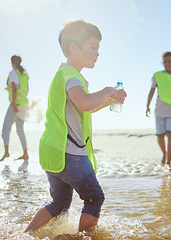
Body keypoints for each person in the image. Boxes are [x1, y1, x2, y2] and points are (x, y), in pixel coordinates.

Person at [24, 19, 127, 234]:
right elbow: (85, 102)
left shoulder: (69, 76)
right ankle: (84, 238)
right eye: (93, 47)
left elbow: (85, 108)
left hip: (54, 152)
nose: (97, 53)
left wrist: (109, 100)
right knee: (94, 197)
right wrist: (108, 90)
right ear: (74, 47)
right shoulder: (70, 76)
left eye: (98, 49)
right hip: (69, 153)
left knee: (59, 204)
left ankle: (26, 235)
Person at [146, 51, 171, 169]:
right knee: (160, 136)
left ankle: (168, 162)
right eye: (165, 62)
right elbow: (152, 91)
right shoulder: (157, 75)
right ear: (162, 63)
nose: (167, 64)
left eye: (170, 61)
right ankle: (164, 154)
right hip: (159, 109)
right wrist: (147, 105)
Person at [0, 55, 29, 162]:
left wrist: (14, 105)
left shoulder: (13, 73)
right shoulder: (24, 74)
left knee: (6, 128)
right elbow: (22, 88)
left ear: (12, 63)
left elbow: (15, 89)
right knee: (20, 130)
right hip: (25, 104)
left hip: (16, 104)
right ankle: (25, 153)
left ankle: (6, 152)